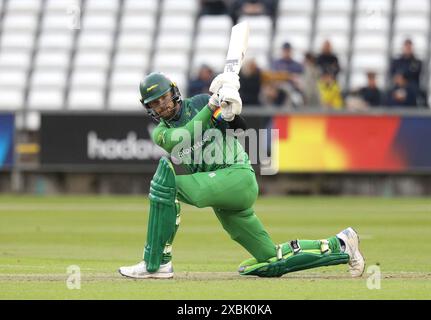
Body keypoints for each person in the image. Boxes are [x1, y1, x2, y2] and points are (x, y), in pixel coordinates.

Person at [118, 71, 365, 279]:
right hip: (223, 194)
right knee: (271, 260)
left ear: (174, 93)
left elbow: (241, 130)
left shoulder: (199, 102)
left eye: (163, 98)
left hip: (237, 177)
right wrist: (213, 106)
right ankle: (343, 244)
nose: (162, 106)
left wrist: (230, 113)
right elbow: (183, 136)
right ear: (148, 108)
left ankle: (157, 263)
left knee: (166, 183)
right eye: (154, 103)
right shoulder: (161, 132)